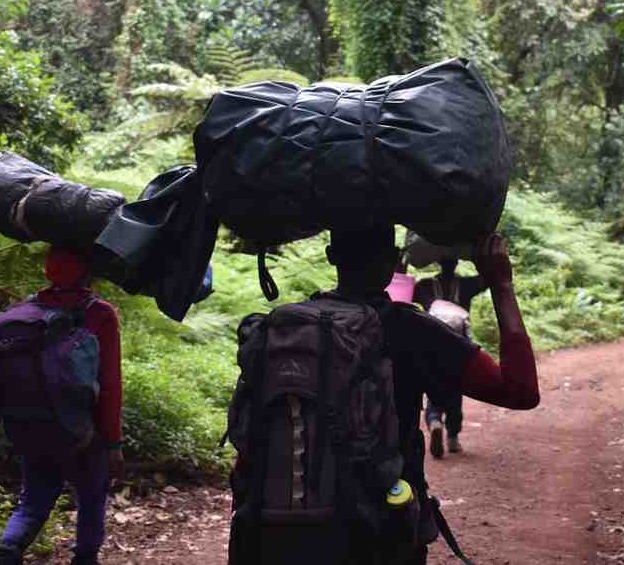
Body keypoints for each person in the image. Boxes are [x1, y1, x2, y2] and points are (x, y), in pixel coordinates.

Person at [229, 224, 538, 565]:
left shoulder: (283, 327)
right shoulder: (414, 330)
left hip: (276, 530)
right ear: (393, 261)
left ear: (331, 256)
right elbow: (520, 391)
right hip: (379, 534)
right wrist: (501, 284)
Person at [0, 247, 125, 565]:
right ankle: (85, 558)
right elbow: (110, 383)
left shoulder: (26, 311)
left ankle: (5, 553)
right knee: (91, 496)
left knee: (32, 502)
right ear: (89, 270)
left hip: (32, 425)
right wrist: (112, 441)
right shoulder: (100, 313)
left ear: (48, 270)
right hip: (83, 432)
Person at [413, 259, 488, 458]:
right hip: (458, 347)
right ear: (455, 263)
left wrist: (400, 264)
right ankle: (453, 438)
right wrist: (477, 256)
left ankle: (435, 420)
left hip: (430, 346)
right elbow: (487, 279)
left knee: (433, 389)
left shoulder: (425, 286)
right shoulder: (466, 285)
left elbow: (399, 292)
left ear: (437, 261)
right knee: (456, 391)